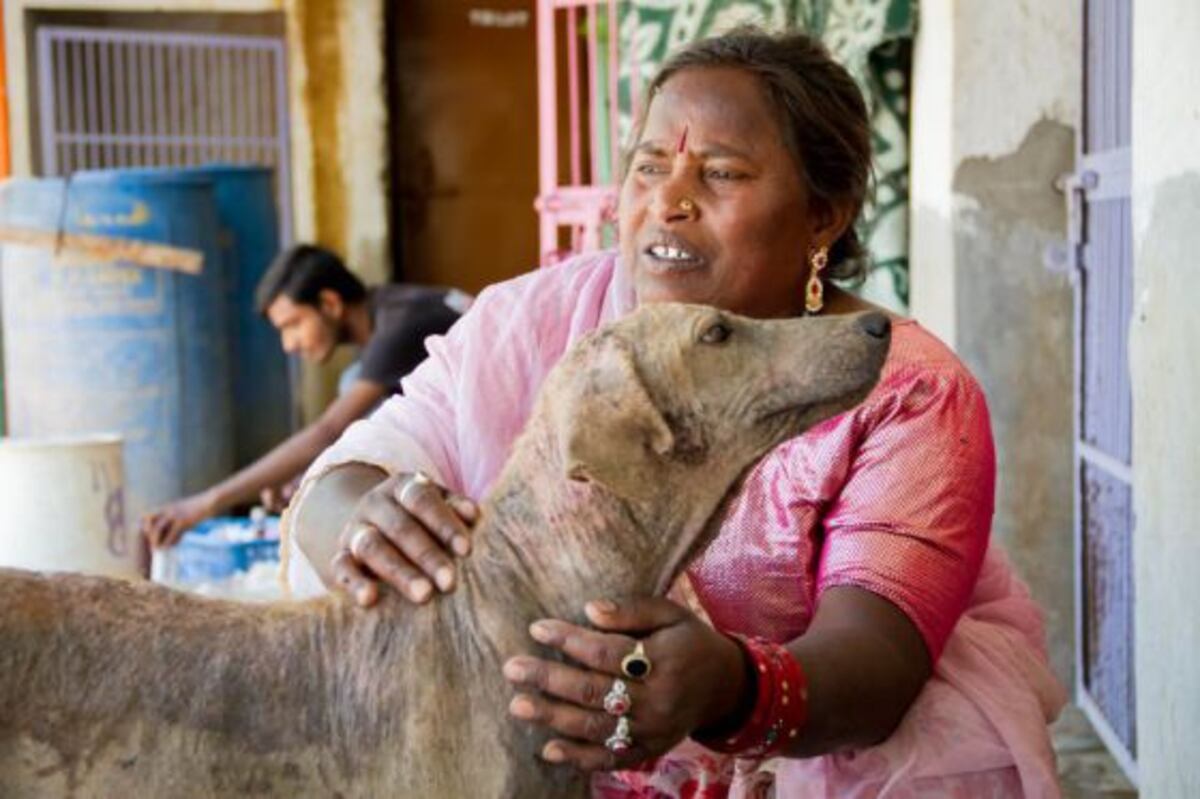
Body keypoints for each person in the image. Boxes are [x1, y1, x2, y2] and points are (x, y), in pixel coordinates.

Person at [285, 29, 1065, 798]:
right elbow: (351, 473)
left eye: (720, 173)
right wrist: (363, 518)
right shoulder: (533, 323)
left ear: (824, 214)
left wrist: (730, 687)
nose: (667, 202)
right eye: (648, 167)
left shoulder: (904, 391)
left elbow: (878, 658)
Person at [141, 244, 467, 548]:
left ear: (330, 304)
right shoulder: (389, 307)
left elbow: (327, 431)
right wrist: (305, 474)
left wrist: (205, 503)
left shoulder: (401, 327)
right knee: (353, 383)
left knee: (354, 393)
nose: (289, 344)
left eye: (293, 324)